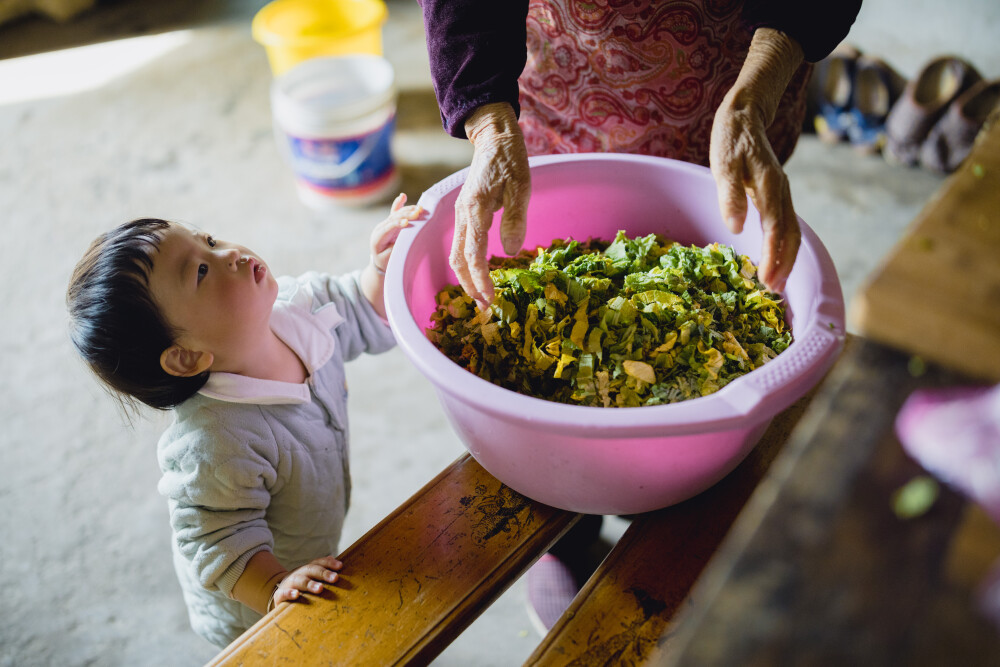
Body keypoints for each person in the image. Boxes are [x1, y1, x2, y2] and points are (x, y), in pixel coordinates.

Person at [416, 0, 863, 632]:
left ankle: (662, 533)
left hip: (729, 77)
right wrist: (489, 124)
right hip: (567, 78)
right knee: (555, 467)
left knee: (683, 486)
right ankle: (566, 541)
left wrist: (753, 97)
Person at [65, 195, 421, 648]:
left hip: (309, 535)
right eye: (200, 271)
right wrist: (276, 588)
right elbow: (216, 539)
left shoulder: (296, 306)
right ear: (187, 356)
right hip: (255, 608)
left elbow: (354, 308)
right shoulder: (215, 442)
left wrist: (381, 269)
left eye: (208, 241)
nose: (228, 253)